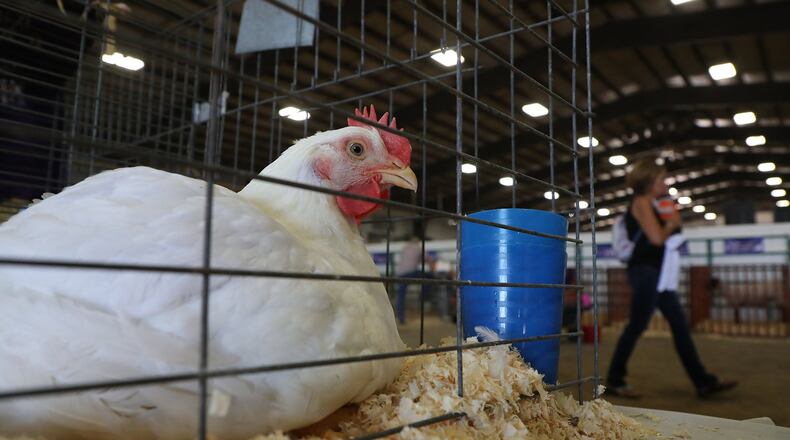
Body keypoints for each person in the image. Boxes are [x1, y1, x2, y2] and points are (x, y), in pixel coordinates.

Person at [606, 158, 737, 398]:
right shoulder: (642, 202)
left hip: (657, 273)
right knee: (637, 325)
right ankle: (614, 379)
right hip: (645, 271)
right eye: (661, 179)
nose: (665, 183)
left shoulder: (652, 203)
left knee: (678, 325)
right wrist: (673, 224)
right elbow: (656, 239)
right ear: (650, 182)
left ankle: (703, 381)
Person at [395, 236, 435, 324]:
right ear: (417, 242)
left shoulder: (405, 248)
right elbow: (428, 259)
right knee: (430, 277)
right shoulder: (418, 248)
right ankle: (423, 297)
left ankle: (400, 317)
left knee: (401, 294)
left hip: (400, 274)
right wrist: (433, 268)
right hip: (411, 272)